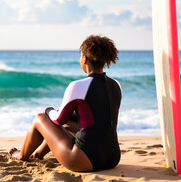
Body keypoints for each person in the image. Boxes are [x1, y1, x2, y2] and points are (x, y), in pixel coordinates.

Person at [9, 34, 122, 172]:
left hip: (84, 160)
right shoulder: (116, 85)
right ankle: (38, 154)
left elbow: (58, 119)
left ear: (84, 59)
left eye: (81, 57)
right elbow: (98, 116)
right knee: (70, 124)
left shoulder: (78, 86)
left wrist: (48, 110)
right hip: (112, 158)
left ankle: (21, 156)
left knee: (40, 119)